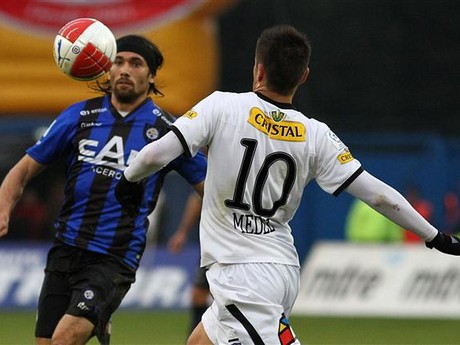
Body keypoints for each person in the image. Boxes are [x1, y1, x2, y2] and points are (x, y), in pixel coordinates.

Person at [115, 25, 460, 345]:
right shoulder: (317, 134)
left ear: (258, 70)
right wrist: (434, 236)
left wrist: (127, 180)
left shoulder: (221, 106)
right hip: (280, 266)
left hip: (244, 276)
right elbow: (379, 195)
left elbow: (153, 156)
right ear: (303, 76)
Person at [0, 34, 206, 345]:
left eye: (136, 64)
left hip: (114, 256)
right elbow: (23, 170)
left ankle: (98, 316)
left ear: (151, 77)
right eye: (118, 62)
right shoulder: (78, 116)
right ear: (106, 70)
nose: (125, 69)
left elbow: (212, 187)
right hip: (65, 249)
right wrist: (3, 209)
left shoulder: (167, 131)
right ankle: (101, 323)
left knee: (63, 340)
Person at [167, 192, 211, 335]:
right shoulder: (214, 172)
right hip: (214, 245)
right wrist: (182, 232)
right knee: (198, 296)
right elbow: (197, 198)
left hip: (244, 245)